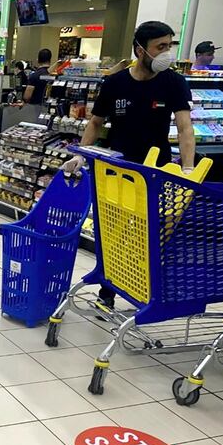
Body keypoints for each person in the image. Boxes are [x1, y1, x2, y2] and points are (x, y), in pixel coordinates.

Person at [62, 20, 195, 309]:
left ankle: (141, 288)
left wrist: (187, 169)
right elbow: (95, 123)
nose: (166, 53)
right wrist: (80, 155)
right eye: (160, 47)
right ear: (139, 50)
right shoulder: (115, 83)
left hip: (156, 172)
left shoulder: (173, 82)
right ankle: (107, 292)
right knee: (114, 231)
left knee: (150, 235)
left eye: (169, 46)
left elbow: (185, 128)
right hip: (117, 172)